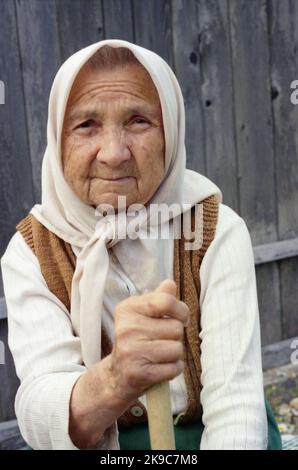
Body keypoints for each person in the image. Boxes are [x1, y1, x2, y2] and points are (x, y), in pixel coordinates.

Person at [0, 39, 281, 450]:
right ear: (57, 143)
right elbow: (41, 415)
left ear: (171, 132)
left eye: (138, 121)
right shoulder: (32, 251)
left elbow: (237, 410)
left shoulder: (214, 229)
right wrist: (117, 376)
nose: (113, 154)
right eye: (86, 125)